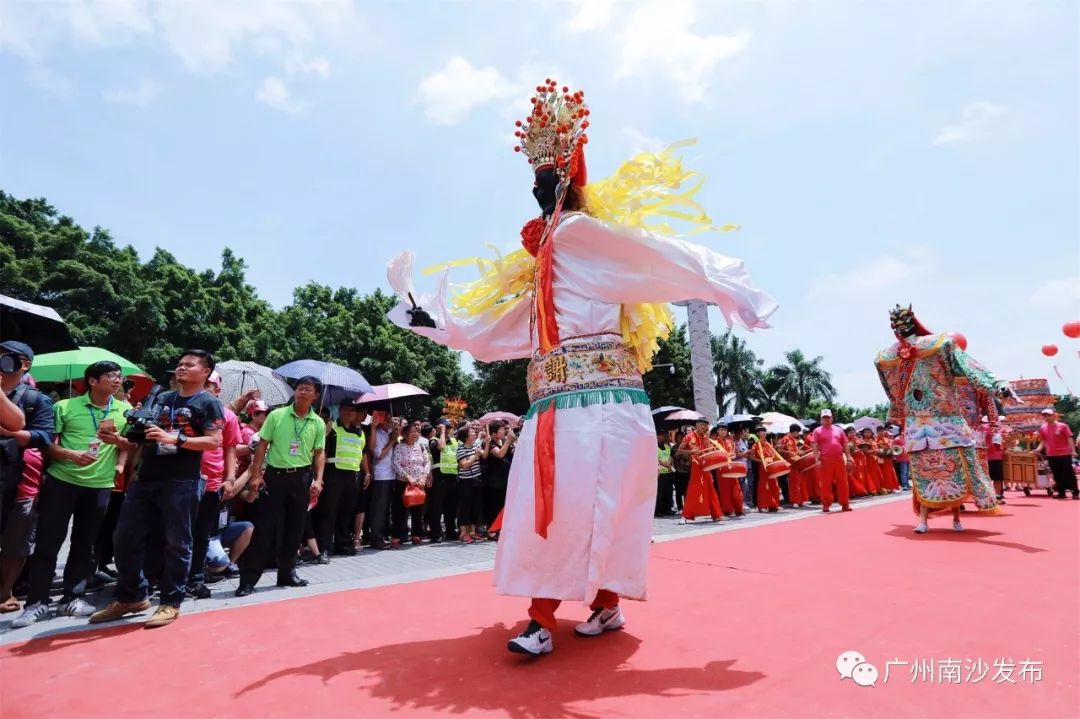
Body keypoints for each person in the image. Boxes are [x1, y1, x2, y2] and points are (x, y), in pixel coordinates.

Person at [387, 79, 776, 656]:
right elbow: (513, 326)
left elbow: (648, 255)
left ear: (566, 181)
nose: (537, 186)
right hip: (559, 407)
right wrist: (441, 326)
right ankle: (578, 607)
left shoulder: (578, 234)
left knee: (589, 506)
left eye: (546, 177)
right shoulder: (551, 257)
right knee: (561, 505)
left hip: (600, 405)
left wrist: (721, 282)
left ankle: (564, 613)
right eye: (534, 178)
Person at [91, 349, 224, 628]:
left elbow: (213, 442)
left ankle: (170, 602)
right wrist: (115, 439)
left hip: (182, 481)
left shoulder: (208, 402)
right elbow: (139, 441)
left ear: (205, 373)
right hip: (146, 479)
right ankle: (132, 596)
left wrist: (173, 439)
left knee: (177, 543)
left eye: (189, 365)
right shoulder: (162, 398)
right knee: (124, 538)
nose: (182, 368)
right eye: (179, 364)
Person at [13, 361, 130, 628]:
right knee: (48, 542)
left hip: (100, 485)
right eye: (110, 376)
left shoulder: (124, 410)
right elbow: (46, 444)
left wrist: (121, 463)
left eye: (119, 376)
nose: (116, 380)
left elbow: (128, 443)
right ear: (92, 381)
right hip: (62, 481)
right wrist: (70, 455)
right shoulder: (64, 407)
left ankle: (72, 598)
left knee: (85, 544)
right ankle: (36, 603)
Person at [875, 306, 1010, 533]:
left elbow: (968, 366)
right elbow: (892, 390)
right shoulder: (887, 357)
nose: (899, 327)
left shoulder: (939, 345)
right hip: (919, 425)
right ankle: (924, 520)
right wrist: (898, 411)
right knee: (924, 472)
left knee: (958, 468)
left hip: (946, 422)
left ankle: (956, 517)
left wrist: (996, 385)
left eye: (901, 322)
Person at [236, 376, 326, 595]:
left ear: (315, 395)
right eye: (299, 388)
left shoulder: (318, 422)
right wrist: (256, 475)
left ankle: (287, 574)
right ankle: (248, 579)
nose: (302, 392)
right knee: (264, 527)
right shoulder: (277, 415)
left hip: (302, 478)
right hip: (275, 476)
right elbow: (262, 444)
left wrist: (318, 479)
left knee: (295, 529)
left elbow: (319, 452)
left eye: (307, 390)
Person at [0, 341, 54, 615]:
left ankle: (4, 591)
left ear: (25, 365)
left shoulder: (36, 399)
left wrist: (13, 435)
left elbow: (45, 436)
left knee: (16, 541)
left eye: (8, 357)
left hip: (22, 479)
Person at [187, 370, 242, 599]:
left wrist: (229, 479)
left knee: (201, 534)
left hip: (211, 484)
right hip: (179, 481)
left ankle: (195, 579)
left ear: (217, 390)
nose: (204, 387)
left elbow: (230, 448)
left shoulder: (227, 416)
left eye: (209, 384)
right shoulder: (179, 408)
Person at [315, 401, 369, 556]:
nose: (351, 413)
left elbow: (362, 453)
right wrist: (319, 475)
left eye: (353, 410)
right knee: (329, 512)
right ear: (340, 410)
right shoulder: (331, 428)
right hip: (334, 474)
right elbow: (322, 452)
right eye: (347, 410)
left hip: (353, 476)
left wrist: (367, 473)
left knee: (346, 512)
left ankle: (342, 543)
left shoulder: (359, 431)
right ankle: (324, 546)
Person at [392, 421, 431, 544]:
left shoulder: (421, 447)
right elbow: (396, 464)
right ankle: (396, 537)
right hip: (404, 483)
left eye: (416, 432)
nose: (414, 434)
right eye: (411, 432)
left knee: (418, 511)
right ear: (404, 434)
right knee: (400, 511)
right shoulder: (399, 447)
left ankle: (416, 535)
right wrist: (408, 477)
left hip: (419, 483)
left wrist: (424, 476)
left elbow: (427, 462)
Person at [367, 409, 400, 550]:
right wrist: (392, 441)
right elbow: (379, 454)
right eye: (387, 418)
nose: (390, 421)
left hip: (392, 474)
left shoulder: (389, 433)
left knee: (387, 509)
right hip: (381, 475)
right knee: (379, 510)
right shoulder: (377, 433)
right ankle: (376, 538)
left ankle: (384, 535)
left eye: (391, 418)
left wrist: (396, 434)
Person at [678, 418, 722, 522]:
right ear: (697, 425)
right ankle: (685, 516)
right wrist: (691, 451)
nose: (704, 427)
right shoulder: (689, 437)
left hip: (706, 467)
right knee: (693, 490)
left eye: (705, 425)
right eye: (702, 425)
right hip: (696, 467)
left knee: (710, 489)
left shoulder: (706, 438)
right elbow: (679, 451)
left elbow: (709, 453)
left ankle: (715, 514)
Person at [811, 409, 853, 513]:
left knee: (843, 482)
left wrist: (848, 457)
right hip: (825, 460)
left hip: (839, 459)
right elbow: (814, 445)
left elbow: (845, 444)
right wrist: (817, 458)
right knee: (826, 483)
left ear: (832, 418)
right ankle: (826, 504)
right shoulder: (817, 431)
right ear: (821, 419)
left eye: (828, 417)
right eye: (824, 418)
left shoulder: (838, 430)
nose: (826, 420)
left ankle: (845, 504)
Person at [1034, 408, 1077, 499]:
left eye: (1048, 415)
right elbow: (1043, 441)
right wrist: (1038, 449)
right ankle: (1061, 492)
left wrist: (1073, 451)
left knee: (1068, 473)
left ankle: (1075, 491)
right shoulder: (1043, 427)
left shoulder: (1063, 426)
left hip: (1064, 453)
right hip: (1051, 454)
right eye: (1045, 416)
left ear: (1054, 415)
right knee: (1056, 474)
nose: (1046, 417)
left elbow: (1069, 439)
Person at [427, 420, 458, 543]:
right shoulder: (434, 440)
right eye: (446, 427)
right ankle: (435, 533)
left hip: (452, 476)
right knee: (437, 507)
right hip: (439, 477)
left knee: (451, 507)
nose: (449, 429)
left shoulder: (454, 440)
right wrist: (443, 432)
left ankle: (450, 531)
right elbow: (441, 447)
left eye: (450, 427)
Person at [455, 426, 486, 543]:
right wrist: (475, 456)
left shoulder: (476, 446)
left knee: (475, 505)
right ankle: (464, 533)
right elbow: (464, 465)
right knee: (465, 507)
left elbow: (484, 455)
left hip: (476, 480)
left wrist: (486, 444)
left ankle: (473, 532)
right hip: (465, 481)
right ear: (466, 436)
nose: (474, 433)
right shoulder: (461, 449)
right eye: (472, 432)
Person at [711, 425, 744, 518]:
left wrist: (730, 456)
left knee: (736, 489)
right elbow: (714, 455)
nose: (723, 431)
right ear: (717, 431)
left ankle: (739, 508)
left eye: (725, 430)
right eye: (721, 430)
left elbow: (734, 455)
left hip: (731, 467)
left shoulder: (730, 442)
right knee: (724, 491)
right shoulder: (714, 443)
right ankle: (727, 510)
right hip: (721, 469)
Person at [749, 427, 783, 513]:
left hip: (771, 466)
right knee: (764, 487)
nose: (763, 433)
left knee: (774, 485)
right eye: (761, 431)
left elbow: (773, 455)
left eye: (764, 431)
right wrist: (762, 461)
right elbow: (752, 457)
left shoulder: (768, 444)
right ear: (758, 434)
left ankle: (774, 504)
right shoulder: (756, 445)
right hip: (763, 467)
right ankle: (762, 505)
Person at [775, 424, 808, 509]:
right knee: (794, 482)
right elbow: (779, 450)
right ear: (794, 431)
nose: (798, 434)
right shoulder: (785, 439)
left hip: (796, 461)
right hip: (790, 463)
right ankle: (794, 501)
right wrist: (788, 453)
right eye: (797, 432)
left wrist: (802, 452)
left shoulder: (793, 439)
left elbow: (795, 451)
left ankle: (800, 500)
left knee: (799, 481)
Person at [655, 429, 675, 517]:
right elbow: (656, 458)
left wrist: (669, 463)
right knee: (659, 493)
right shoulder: (654, 447)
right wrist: (664, 464)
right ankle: (658, 510)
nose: (661, 437)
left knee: (668, 492)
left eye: (663, 435)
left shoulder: (667, 446)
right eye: (660, 435)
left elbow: (670, 456)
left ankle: (667, 509)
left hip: (668, 472)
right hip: (660, 473)